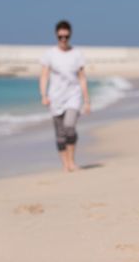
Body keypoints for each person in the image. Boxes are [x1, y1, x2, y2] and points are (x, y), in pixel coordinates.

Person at [39, 20, 91, 172]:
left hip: (73, 96)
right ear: (56, 35)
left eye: (66, 37)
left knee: (69, 126)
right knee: (60, 134)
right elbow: (44, 76)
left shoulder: (77, 54)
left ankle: (72, 161)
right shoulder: (49, 54)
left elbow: (82, 77)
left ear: (70, 35)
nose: (63, 39)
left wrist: (87, 100)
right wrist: (43, 95)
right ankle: (65, 164)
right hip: (55, 97)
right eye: (60, 37)